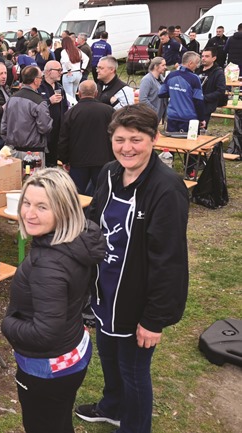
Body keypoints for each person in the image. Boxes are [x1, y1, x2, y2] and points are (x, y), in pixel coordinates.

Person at [75, 104, 189, 433]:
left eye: (136, 140)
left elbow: (169, 260)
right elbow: (94, 220)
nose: (127, 148)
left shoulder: (165, 189)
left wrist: (154, 320)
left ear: (154, 139)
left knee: (134, 371)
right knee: (109, 355)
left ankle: (135, 427)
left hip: (136, 300)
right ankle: (112, 407)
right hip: (105, 289)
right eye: (120, 139)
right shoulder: (110, 173)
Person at [2, 168, 105, 433]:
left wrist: (8, 325)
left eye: (42, 207)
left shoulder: (49, 265)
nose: (29, 213)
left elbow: (45, 332)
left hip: (46, 366)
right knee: (58, 421)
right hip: (74, 349)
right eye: (27, 202)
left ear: (63, 210)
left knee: (41, 425)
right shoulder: (79, 238)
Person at [58, 80, 115, 195]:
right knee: (102, 193)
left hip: (78, 161)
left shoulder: (71, 113)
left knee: (77, 195)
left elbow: (64, 138)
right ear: (96, 93)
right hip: (103, 160)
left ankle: (79, 213)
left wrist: (64, 159)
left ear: (79, 93)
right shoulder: (109, 111)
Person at [1, 66, 52, 165]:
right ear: (35, 80)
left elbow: (3, 126)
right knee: (34, 180)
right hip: (33, 152)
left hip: (12, 151)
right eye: (41, 78)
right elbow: (45, 127)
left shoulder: (11, 99)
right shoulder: (39, 102)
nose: (41, 81)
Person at [158, 51, 205, 133]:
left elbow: (161, 93)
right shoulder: (194, 79)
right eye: (197, 63)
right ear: (190, 63)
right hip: (188, 119)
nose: (197, 66)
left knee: (172, 143)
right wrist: (201, 119)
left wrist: (174, 92)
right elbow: (198, 101)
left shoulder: (171, 75)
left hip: (172, 117)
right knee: (190, 144)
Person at [37, 61, 69, 167]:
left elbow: (65, 106)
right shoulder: (39, 87)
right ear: (49, 72)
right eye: (59, 70)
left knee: (54, 160)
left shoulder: (59, 87)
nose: (61, 72)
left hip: (58, 130)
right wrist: (49, 101)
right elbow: (34, 106)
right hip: (44, 131)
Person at [196, 47, 227, 128]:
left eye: (207, 56)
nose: (203, 58)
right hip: (193, 103)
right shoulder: (197, 70)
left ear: (214, 58)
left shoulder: (218, 72)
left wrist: (204, 97)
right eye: (202, 56)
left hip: (206, 104)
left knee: (200, 130)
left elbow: (220, 91)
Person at [59, 36, 88, 106]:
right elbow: (86, 58)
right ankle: (75, 107)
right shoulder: (77, 50)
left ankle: (71, 109)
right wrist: (83, 68)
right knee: (74, 94)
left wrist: (69, 70)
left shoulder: (64, 51)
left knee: (68, 95)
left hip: (68, 73)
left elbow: (66, 61)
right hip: (78, 73)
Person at [138, 57, 168, 122]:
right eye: (163, 65)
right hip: (149, 117)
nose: (165, 67)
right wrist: (154, 110)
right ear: (156, 66)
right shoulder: (147, 80)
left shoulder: (161, 78)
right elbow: (142, 99)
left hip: (157, 116)